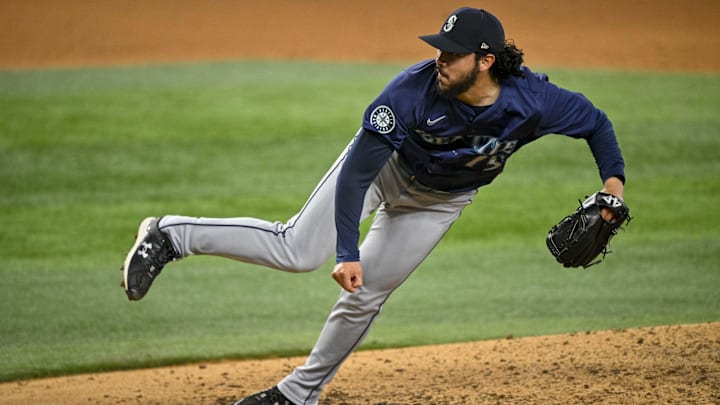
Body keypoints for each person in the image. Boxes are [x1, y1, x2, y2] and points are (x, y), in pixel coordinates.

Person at [121, 7, 625, 405]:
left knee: (368, 295)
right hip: (383, 174)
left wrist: (612, 191)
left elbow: (597, 123)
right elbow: (358, 173)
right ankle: (170, 235)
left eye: (452, 54)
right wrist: (346, 250)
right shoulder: (408, 94)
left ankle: (300, 393)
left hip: (440, 202)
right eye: (439, 50)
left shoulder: (534, 100)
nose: (440, 60)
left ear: (485, 60)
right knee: (297, 250)